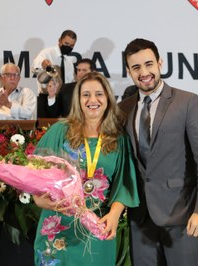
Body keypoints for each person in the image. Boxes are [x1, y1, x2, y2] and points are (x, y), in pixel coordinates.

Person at [119, 38, 198, 265]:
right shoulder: (123, 109)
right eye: (136, 67)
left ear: (160, 63)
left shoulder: (187, 102)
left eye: (148, 64)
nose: (144, 72)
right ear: (129, 71)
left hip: (182, 215)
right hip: (140, 218)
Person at [32, 72, 139, 266]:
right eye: (86, 95)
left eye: (99, 94)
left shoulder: (118, 138)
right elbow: (35, 173)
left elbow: (125, 182)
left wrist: (114, 215)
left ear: (108, 98)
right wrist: (38, 199)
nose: (93, 100)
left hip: (98, 227)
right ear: (78, 100)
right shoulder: (59, 131)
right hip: (58, 227)